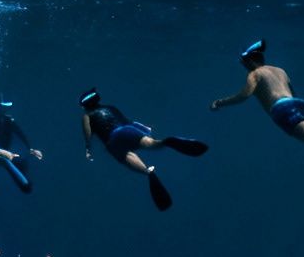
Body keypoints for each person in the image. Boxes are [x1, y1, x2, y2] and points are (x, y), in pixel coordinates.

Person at [79, 88, 208, 211]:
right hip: (128, 129)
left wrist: (88, 147)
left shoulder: (87, 115)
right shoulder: (110, 107)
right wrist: (144, 128)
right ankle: (165, 142)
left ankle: (148, 172)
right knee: (152, 144)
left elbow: (87, 131)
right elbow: (127, 120)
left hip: (112, 139)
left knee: (127, 155)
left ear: (85, 105)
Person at [0, 97, 43, 203]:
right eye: (4, 108)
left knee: (7, 164)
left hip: (2, 152)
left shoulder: (9, 121)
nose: (5, 110)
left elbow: (20, 133)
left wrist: (30, 148)